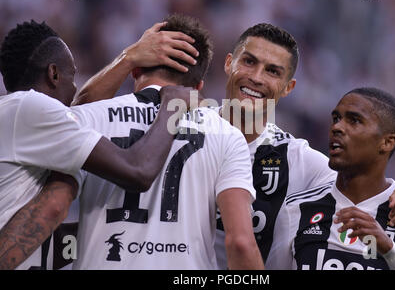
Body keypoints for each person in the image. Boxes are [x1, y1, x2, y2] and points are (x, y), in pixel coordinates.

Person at [74, 21, 395, 268]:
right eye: (249, 61)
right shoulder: (175, 122)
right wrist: (129, 58)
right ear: (229, 64)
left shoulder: (299, 160)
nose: (256, 78)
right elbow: (78, 117)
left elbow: (363, 184)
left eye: (273, 71)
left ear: (288, 88)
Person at [66, 14, 263, 270]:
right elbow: (240, 243)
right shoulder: (228, 136)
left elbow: (73, 114)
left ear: (135, 70)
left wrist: (128, 56)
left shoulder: (90, 116)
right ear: (198, 86)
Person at [0, 20, 199, 270]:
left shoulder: (20, 120)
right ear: (53, 74)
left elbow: (35, 238)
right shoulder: (28, 108)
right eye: (72, 76)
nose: (75, 88)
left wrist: (108, 229)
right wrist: (171, 107)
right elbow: (138, 170)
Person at [266, 87, 395, 270]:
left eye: (354, 121)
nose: (337, 127)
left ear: (387, 142)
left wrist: (390, 252)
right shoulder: (295, 209)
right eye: (336, 119)